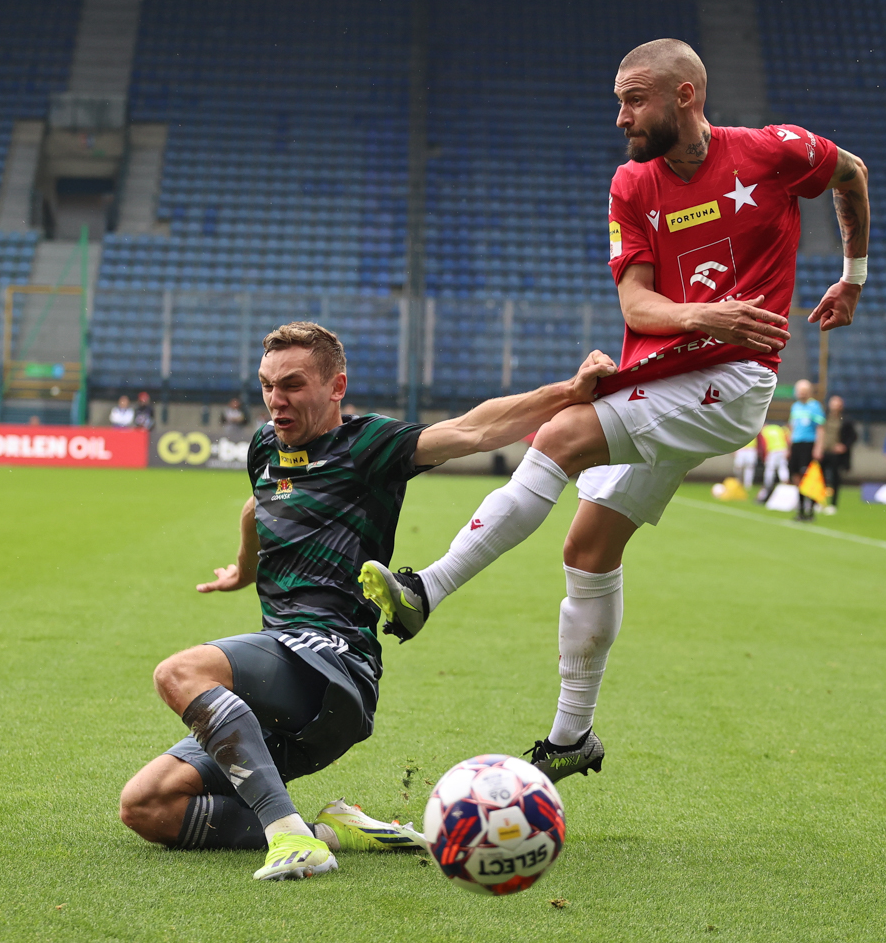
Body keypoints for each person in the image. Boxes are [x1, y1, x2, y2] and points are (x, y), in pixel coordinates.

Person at [360, 38, 869, 782]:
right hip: (670, 368)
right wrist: (707, 314)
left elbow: (852, 175)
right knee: (588, 550)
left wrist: (852, 275)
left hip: (732, 379)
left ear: (684, 96)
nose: (622, 115)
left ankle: (426, 588)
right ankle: (573, 738)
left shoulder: (774, 150)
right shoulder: (632, 184)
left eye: (634, 100)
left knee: (561, 430)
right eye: (619, 101)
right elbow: (636, 301)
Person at [118, 321, 615, 882]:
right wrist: (244, 568)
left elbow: (474, 430)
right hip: (278, 689)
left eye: (293, 385)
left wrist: (568, 393)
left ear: (336, 387)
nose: (276, 401)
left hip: (333, 666)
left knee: (179, 672)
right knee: (146, 807)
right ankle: (332, 830)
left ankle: (290, 840)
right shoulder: (265, 447)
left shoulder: (367, 446)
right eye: (266, 385)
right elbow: (257, 506)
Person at [788, 380, 825, 521]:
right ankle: (801, 508)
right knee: (796, 476)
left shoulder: (815, 407)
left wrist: (818, 448)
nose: (801, 392)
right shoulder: (795, 407)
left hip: (808, 444)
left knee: (808, 476)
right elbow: (792, 427)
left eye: (804, 390)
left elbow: (820, 428)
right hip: (796, 444)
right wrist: (789, 446)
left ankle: (810, 509)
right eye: (799, 390)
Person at [820, 395, 856, 514]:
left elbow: (853, 436)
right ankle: (820, 502)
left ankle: (833, 504)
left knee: (835, 479)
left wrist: (844, 446)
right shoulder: (823, 416)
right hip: (823, 451)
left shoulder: (846, 419)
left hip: (835, 454)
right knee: (820, 478)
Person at [758, 422, 791, 500]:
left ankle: (768, 485)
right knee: (783, 467)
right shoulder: (777, 427)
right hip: (783, 449)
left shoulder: (764, 431)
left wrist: (763, 455)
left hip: (772, 450)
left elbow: (763, 444)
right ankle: (785, 483)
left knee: (770, 469)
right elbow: (786, 437)